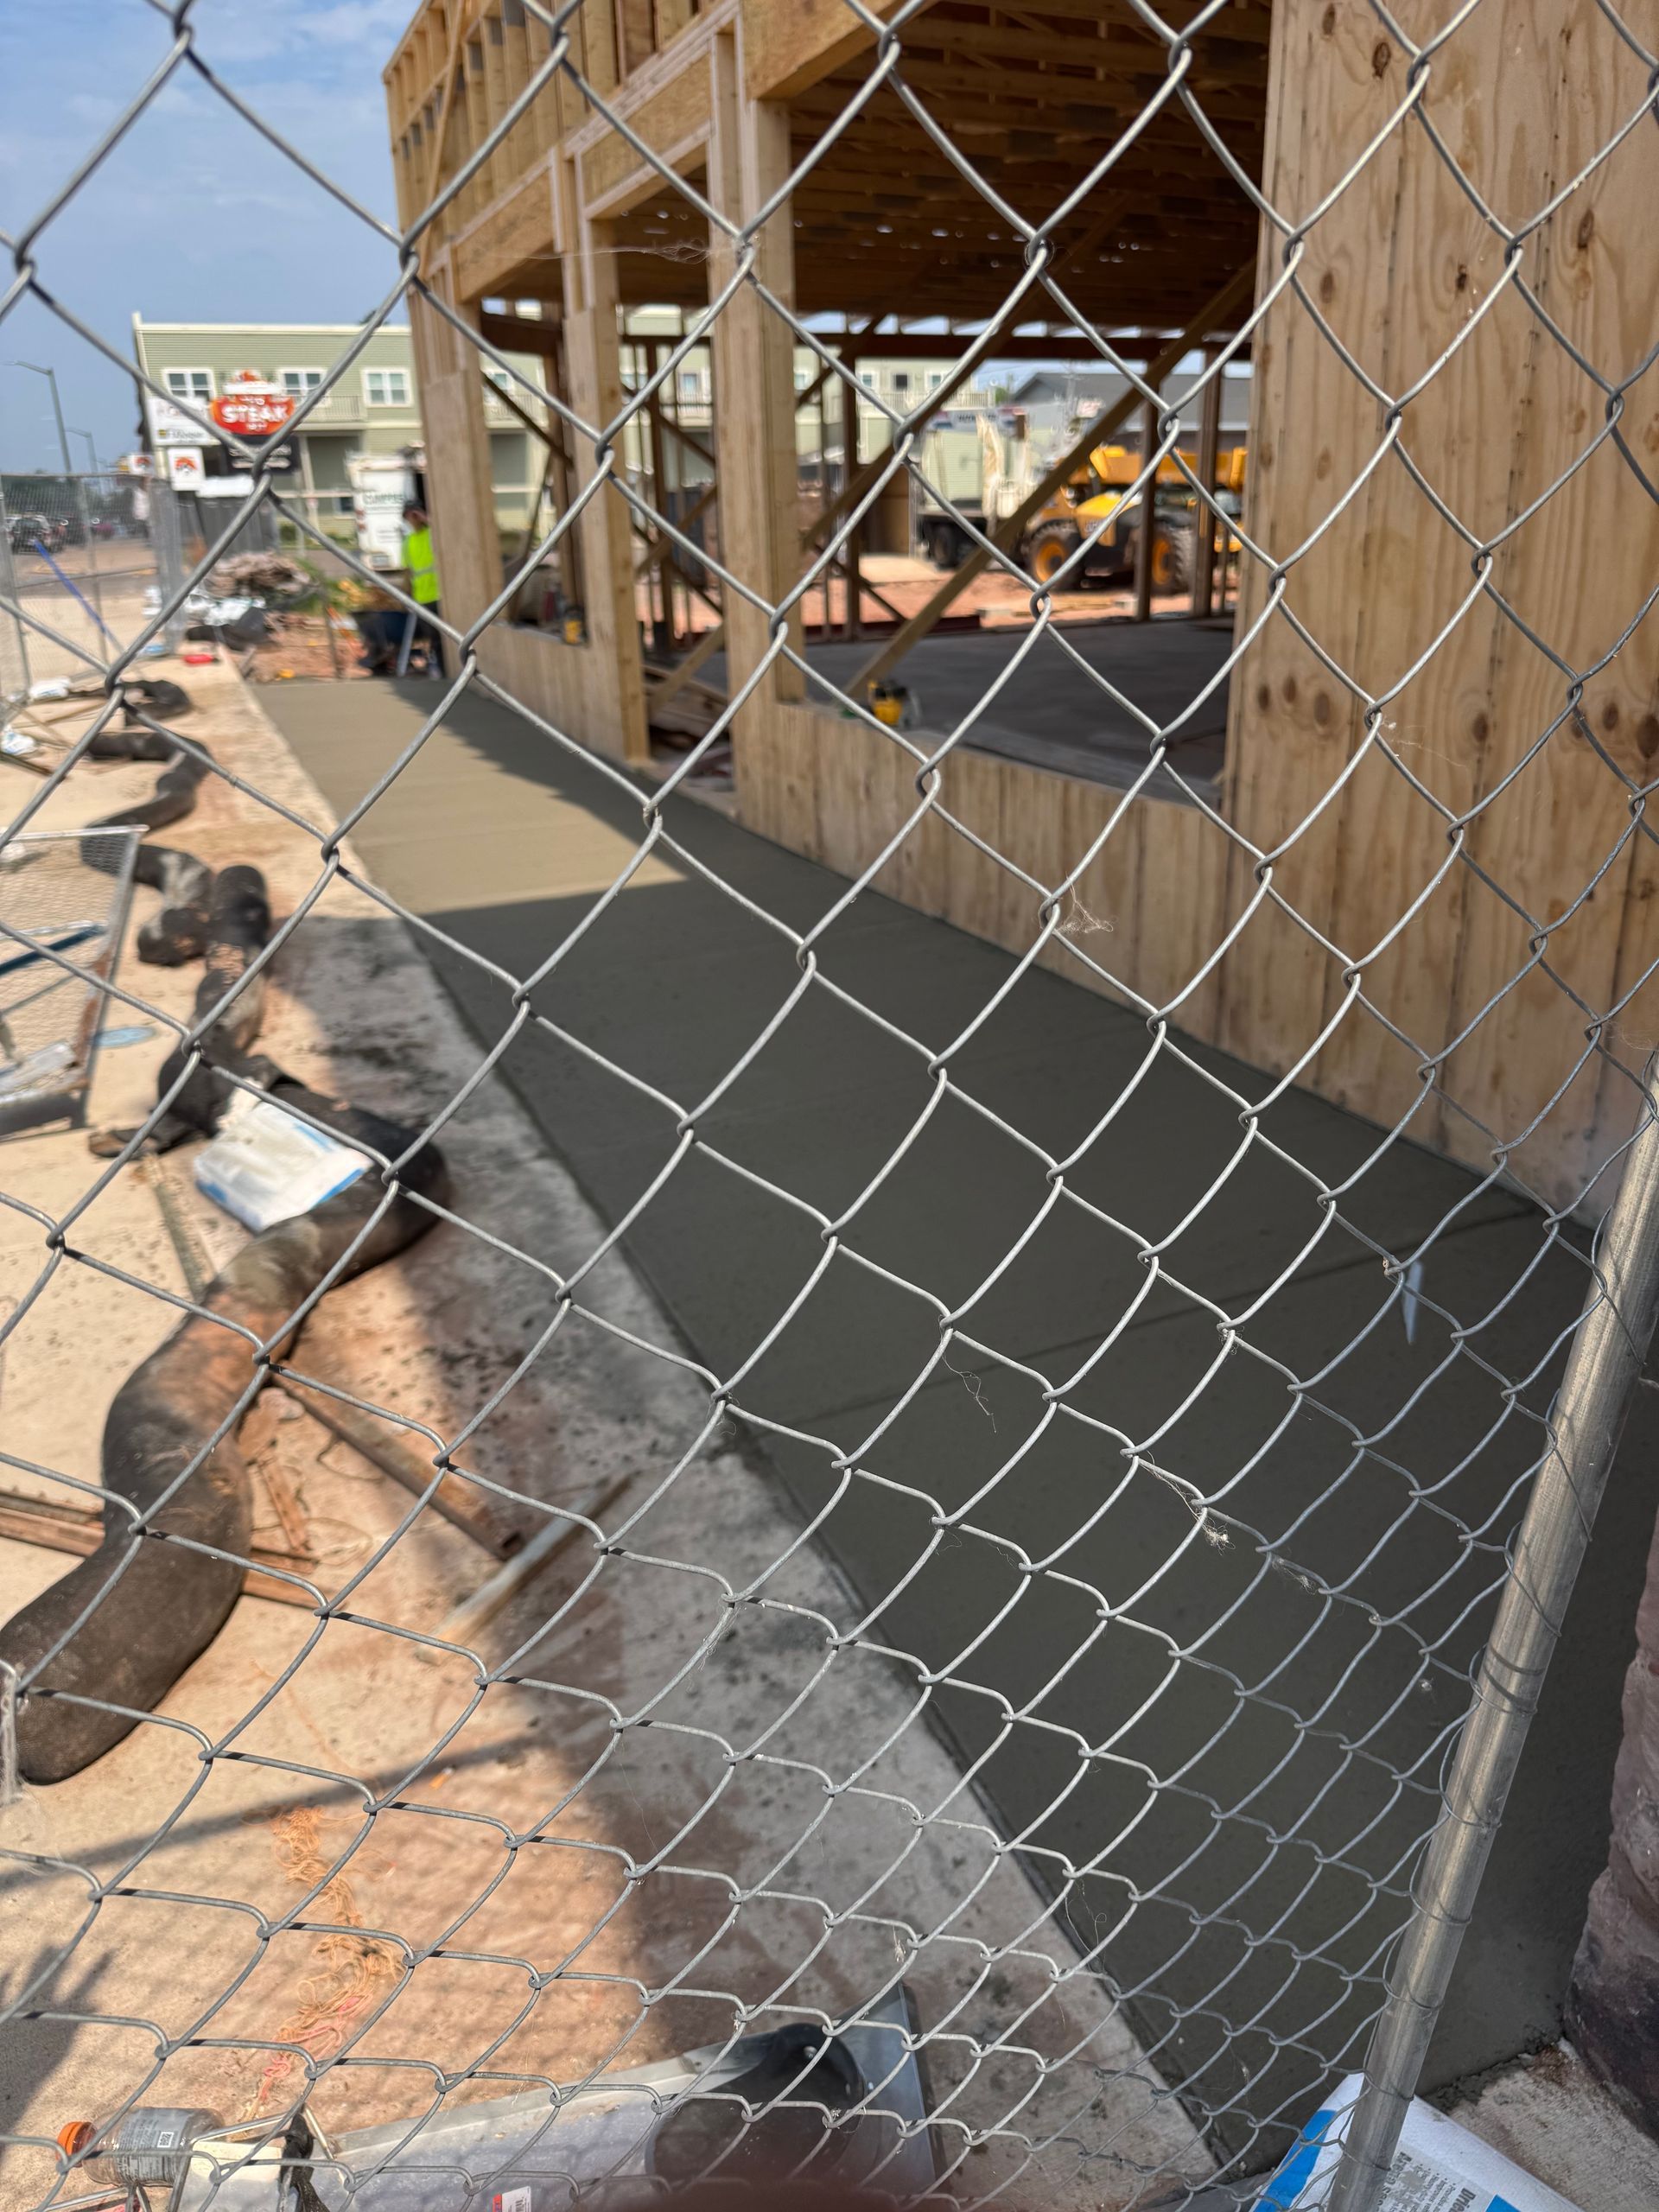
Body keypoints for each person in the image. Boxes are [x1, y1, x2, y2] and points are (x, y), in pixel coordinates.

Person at [398, 501, 443, 674]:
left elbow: (443, 533)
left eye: (415, 515)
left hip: (440, 594)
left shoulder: (432, 534)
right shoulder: (408, 543)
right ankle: (440, 668)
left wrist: (427, 519)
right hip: (423, 597)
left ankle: (445, 668)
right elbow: (407, 572)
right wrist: (405, 596)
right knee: (433, 637)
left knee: (444, 636)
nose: (412, 520)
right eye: (409, 516)